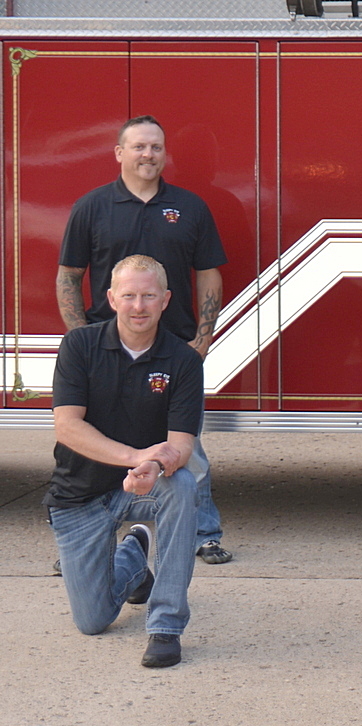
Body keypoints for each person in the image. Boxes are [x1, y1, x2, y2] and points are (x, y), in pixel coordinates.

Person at [56, 115, 232, 565]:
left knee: (187, 446)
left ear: (163, 153)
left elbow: (209, 273)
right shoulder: (91, 207)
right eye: (138, 147)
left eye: (155, 147)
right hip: (106, 350)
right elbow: (69, 277)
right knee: (99, 447)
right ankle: (86, 538)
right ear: (119, 153)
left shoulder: (190, 207)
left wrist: (202, 339)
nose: (147, 155)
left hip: (173, 346)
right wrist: (83, 341)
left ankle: (203, 532)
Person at [46, 255, 203, 668]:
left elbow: (182, 444)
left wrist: (157, 465)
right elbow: (67, 427)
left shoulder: (183, 361)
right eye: (129, 295)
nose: (139, 306)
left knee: (183, 486)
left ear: (165, 300)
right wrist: (137, 457)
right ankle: (133, 556)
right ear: (112, 298)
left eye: (148, 296)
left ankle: (166, 625)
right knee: (93, 621)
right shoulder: (79, 346)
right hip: (79, 494)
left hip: (144, 489)